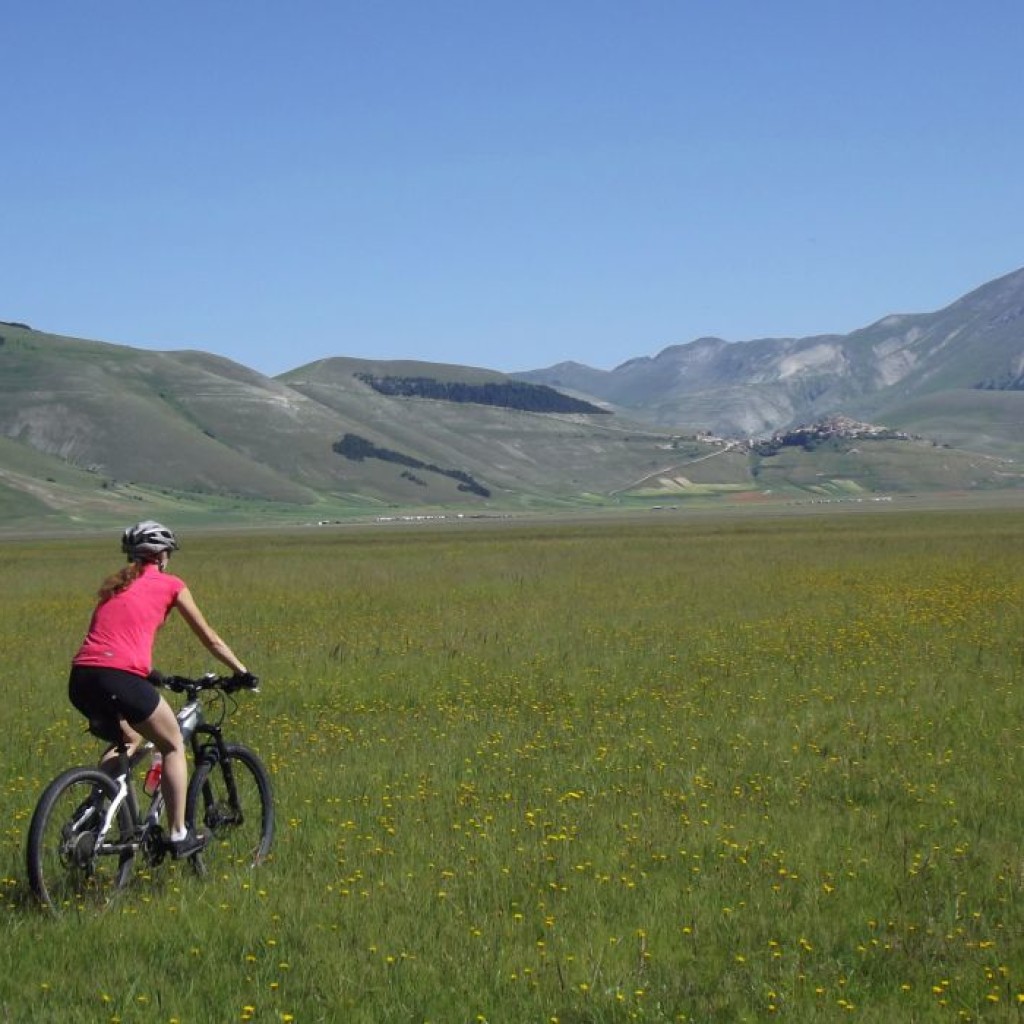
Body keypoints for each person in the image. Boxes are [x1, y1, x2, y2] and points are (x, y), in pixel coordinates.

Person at [68, 520, 251, 859]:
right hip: (119, 677)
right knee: (172, 743)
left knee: (130, 739)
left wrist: (150, 673)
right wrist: (242, 672)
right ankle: (179, 833)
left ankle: (93, 809)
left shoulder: (115, 586)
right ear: (163, 555)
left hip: (81, 677)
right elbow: (208, 636)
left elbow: (112, 640)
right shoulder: (171, 584)